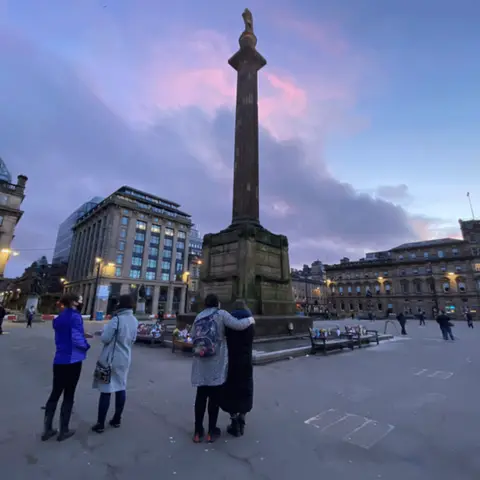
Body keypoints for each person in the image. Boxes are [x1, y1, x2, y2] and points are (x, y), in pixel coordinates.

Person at [190, 294, 255, 444]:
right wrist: (251, 320)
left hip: (200, 362)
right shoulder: (220, 314)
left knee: (200, 396)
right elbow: (238, 325)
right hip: (215, 362)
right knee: (214, 397)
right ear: (217, 304)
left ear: (205, 304)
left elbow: (193, 335)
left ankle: (197, 431)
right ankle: (211, 431)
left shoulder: (199, 316)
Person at [42, 294, 90, 442]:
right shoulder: (75, 316)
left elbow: (68, 333)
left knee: (55, 393)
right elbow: (75, 338)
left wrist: (82, 334)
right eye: (79, 300)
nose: (81, 302)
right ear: (73, 302)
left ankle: (47, 430)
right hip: (73, 360)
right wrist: (85, 345)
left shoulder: (59, 318)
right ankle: (64, 430)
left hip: (59, 360)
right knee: (69, 394)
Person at [91, 294, 138, 433]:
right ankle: (117, 419)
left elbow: (105, 339)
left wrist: (105, 330)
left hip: (111, 359)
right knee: (121, 387)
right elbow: (133, 339)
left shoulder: (116, 320)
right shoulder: (134, 320)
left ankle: (100, 423)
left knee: (106, 390)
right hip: (125, 358)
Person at [220, 299, 255, 437]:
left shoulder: (230, 323)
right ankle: (242, 418)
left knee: (231, 390)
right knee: (245, 390)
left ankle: (234, 422)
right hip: (246, 361)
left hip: (232, 360)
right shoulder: (251, 324)